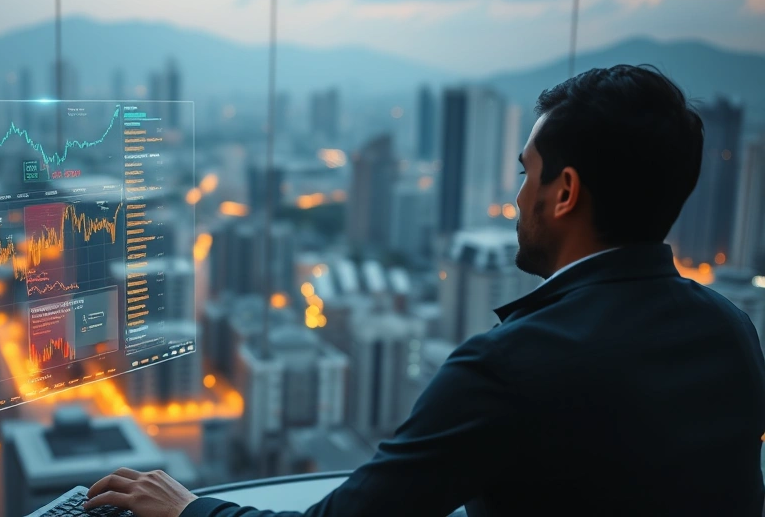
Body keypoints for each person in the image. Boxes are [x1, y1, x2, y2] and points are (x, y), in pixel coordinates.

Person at [84, 65, 765, 516]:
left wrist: (189, 509)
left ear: (564, 192)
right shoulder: (732, 332)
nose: (516, 197)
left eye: (525, 173)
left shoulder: (511, 365)